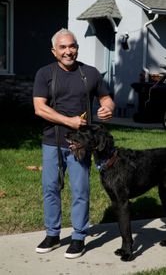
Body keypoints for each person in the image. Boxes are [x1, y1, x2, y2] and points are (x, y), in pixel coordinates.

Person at [33, 28, 115, 259]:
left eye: (72, 46)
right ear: (54, 51)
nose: (68, 51)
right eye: (63, 47)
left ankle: (79, 237)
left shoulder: (90, 73)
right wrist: (68, 121)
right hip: (53, 140)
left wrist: (108, 108)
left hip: (81, 144)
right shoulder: (44, 74)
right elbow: (39, 107)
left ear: (77, 48)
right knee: (51, 188)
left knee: (80, 190)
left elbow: (107, 98)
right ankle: (52, 234)